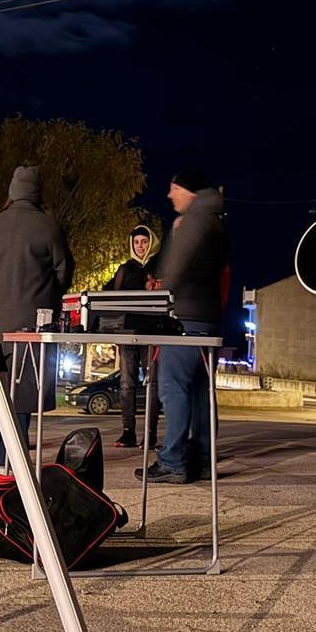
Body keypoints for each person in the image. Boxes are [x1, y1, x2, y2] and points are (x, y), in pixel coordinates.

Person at [0, 165, 72, 472]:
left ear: (13, 191)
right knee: (23, 385)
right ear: (37, 192)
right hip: (32, 318)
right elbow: (64, 271)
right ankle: (9, 458)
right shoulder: (48, 227)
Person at [137, 168, 229, 484]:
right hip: (209, 318)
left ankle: (172, 461)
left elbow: (172, 270)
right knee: (201, 392)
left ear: (188, 190)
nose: (169, 195)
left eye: (173, 188)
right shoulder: (217, 221)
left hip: (186, 317)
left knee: (172, 386)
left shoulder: (192, 221)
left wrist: (161, 285)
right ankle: (203, 460)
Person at [103, 224, 161, 449]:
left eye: (144, 242)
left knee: (153, 383)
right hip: (127, 333)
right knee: (127, 383)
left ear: (151, 243)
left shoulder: (159, 266)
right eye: (136, 242)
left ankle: (151, 434)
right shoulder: (124, 269)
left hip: (152, 333)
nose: (140, 246)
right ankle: (128, 432)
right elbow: (111, 295)